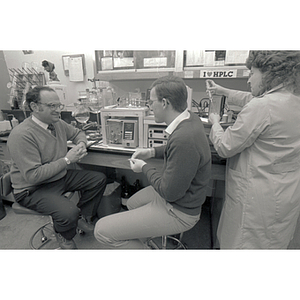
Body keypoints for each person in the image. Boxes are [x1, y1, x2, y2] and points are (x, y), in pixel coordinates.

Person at [94, 75, 211, 249]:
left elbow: (168, 193)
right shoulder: (190, 119)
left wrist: (144, 167)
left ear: (164, 103)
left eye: (151, 102)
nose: (149, 106)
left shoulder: (184, 138)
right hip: (177, 196)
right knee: (132, 203)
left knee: (101, 230)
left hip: (179, 210)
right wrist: (151, 151)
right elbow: (176, 149)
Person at [207, 51, 300, 249]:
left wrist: (215, 124)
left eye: (251, 73)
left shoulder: (262, 107)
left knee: (245, 245)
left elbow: (224, 147)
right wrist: (223, 91)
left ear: (269, 73)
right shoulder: (292, 100)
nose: (248, 80)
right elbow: (252, 98)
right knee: (273, 243)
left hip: (255, 200)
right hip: (284, 194)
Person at [7, 86, 107, 249]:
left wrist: (81, 144)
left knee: (98, 179)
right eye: (51, 106)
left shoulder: (57, 123)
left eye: (59, 105)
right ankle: (64, 235)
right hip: (32, 189)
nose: (57, 110)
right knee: (68, 212)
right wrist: (67, 159)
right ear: (34, 107)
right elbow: (33, 176)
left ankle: (81, 217)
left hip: (57, 177)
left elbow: (77, 133)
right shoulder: (21, 135)